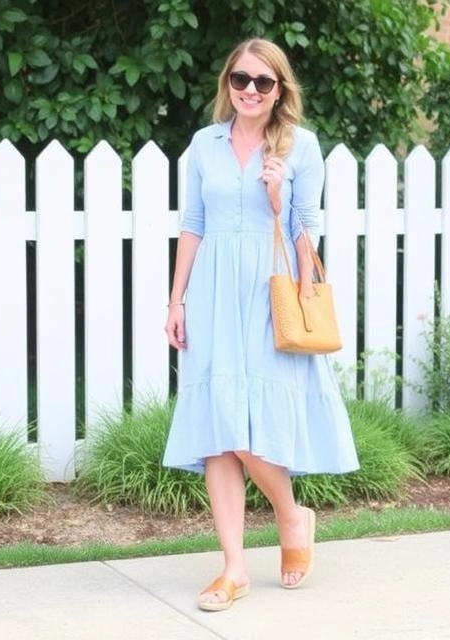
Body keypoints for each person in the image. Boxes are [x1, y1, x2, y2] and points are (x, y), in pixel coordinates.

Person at [163, 37, 359, 612]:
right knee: (218, 436)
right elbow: (192, 224)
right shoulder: (204, 144)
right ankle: (234, 568)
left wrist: (277, 199)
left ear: (280, 90)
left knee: (250, 434)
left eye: (263, 82)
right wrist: (176, 301)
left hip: (270, 290)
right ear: (228, 83)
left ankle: (291, 514)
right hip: (212, 293)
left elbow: (306, 228)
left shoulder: (302, 145)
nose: (250, 90)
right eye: (240, 79)